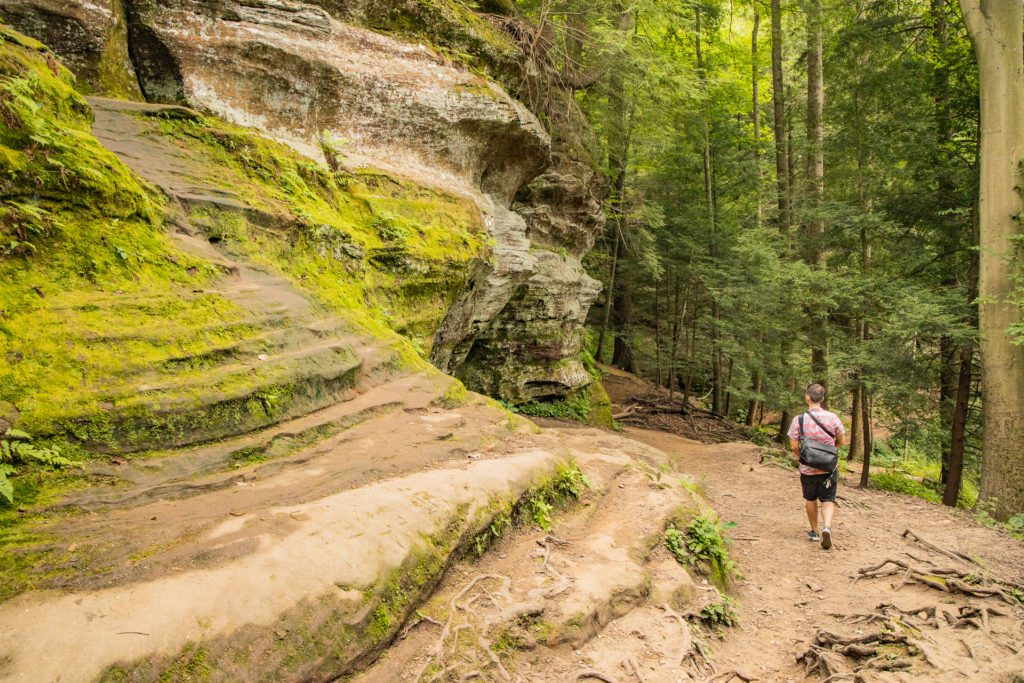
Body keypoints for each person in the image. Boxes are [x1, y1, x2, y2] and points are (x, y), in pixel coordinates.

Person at [787, 383, 846, 549]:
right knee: (828, 498)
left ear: (807, 397)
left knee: (810, 498)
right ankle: (827, 526)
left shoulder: (799, 419)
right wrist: (830, 451)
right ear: (822, 399)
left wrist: (804, 458)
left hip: (808, 469)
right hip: (828, 468)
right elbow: (842, 441)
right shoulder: (833, 417)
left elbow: (793, 446)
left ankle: (814, 532)